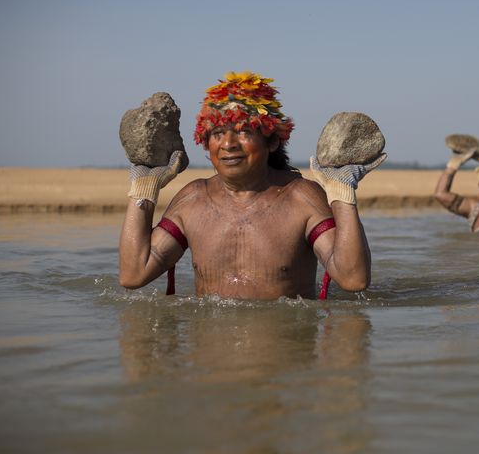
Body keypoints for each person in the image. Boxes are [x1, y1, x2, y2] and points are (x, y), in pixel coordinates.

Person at [119, 71, 385, 300]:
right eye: (218, 133)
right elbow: (134, 274)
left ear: (272, 142)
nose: (228, 144)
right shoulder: (192, 199)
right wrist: (143, 189)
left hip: (284, 355)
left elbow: (353, 280)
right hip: (209, 359)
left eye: (244, 131)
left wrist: (342, 194)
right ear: (205, 142)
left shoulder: (301, 198)